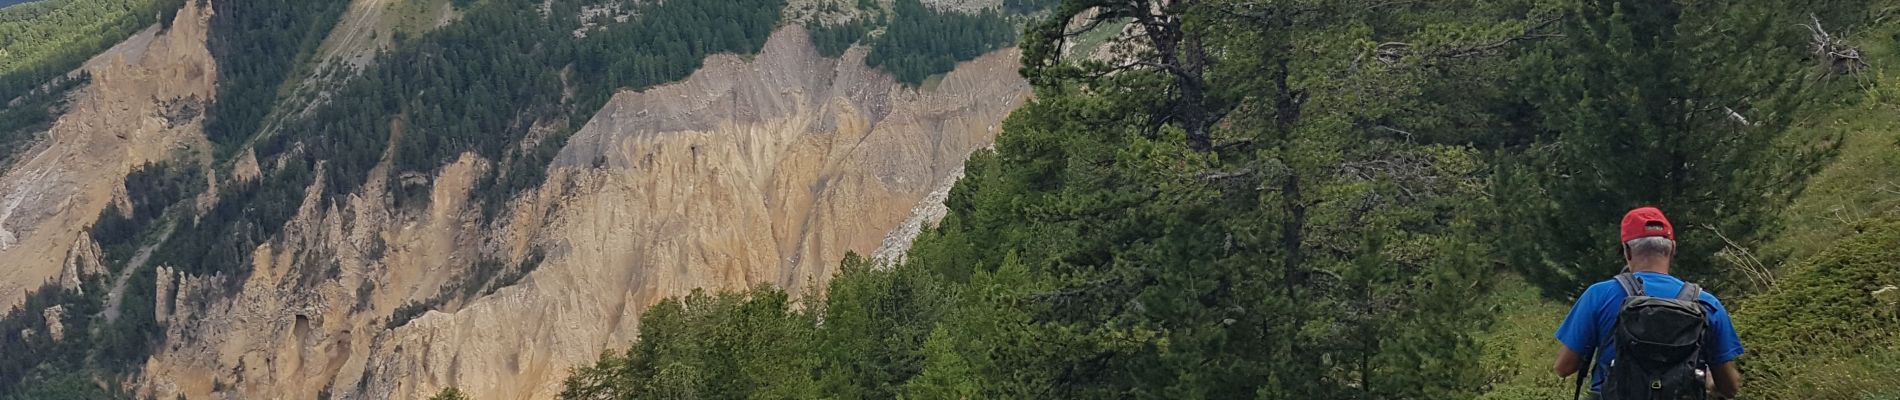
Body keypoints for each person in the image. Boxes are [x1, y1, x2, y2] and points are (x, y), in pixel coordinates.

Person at [1552, 206, 1745, 399]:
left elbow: (1564, 367)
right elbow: (1729, 388)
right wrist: (1708, 378)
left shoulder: (1599, 295)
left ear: (1627, 251)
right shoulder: (1707, 303)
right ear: (1673, 249)